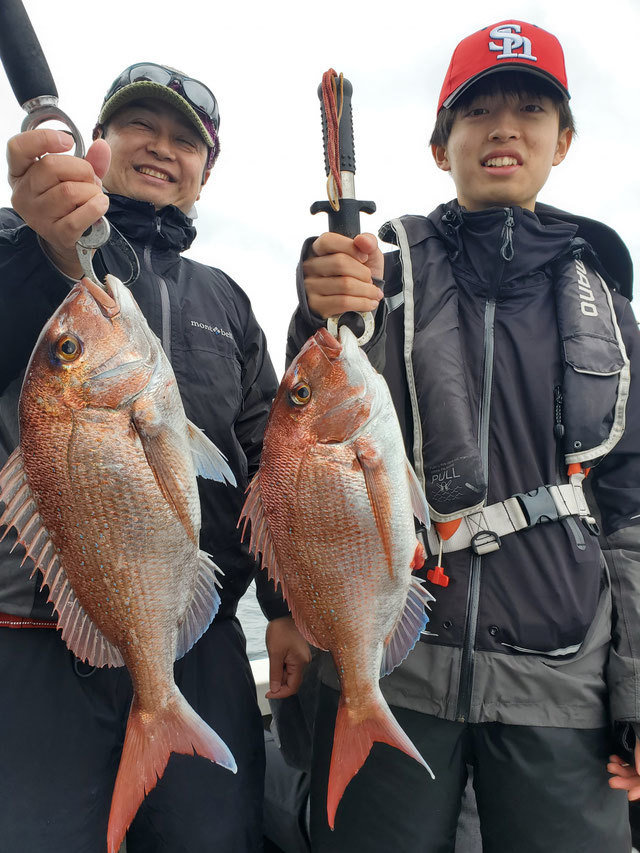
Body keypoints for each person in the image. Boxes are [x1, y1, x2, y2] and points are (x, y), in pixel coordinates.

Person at [287, 20, 640, 853]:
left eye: (530, 109)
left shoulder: (614, 320)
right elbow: (306, 441)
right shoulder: (385, 272)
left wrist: (635, 694)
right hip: (392, 669)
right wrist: (318, 304)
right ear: (443, 146)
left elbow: (630, 518)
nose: (504, 129)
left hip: (561, 685)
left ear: (564, 141)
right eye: (477, 112)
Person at [0, 63, 309, 852]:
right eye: (140, 126)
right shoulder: (19, 245)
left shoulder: (227, 299)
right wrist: (45, 250)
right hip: (30, 637)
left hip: (195, 636)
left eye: (184, 139)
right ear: (98, 142)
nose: (161, 148)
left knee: (211, 837)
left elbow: (261, 464)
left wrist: (280, 611)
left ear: (208, 169)